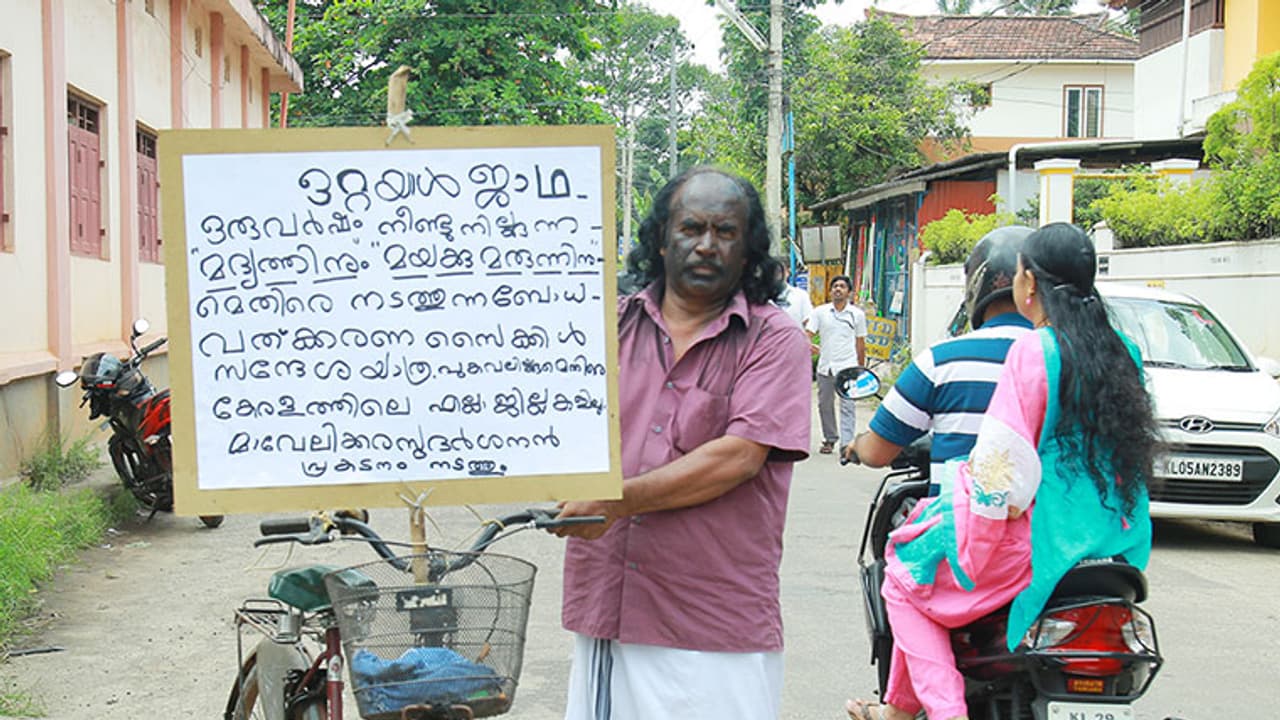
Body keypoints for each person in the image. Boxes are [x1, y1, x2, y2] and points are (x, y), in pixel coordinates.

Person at [845, 222, 1162, 720]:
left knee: (906, 572)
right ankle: (899, 711)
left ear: (1029, 284)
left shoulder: (1035, 351)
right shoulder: (1123, 351)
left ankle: (943, 711)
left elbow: (1001, 469)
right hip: (1109, 538)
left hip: (1038, 536)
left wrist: (972, 544)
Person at [554, 167, 812, 720]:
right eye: (691, 227)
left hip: (713, 617)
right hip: (612, 604)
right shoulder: (603, 327)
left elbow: (739, 457)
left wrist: (613, 501)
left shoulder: (774, 338)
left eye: (725, 232)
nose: (706, 245)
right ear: (662, 240)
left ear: (748, 251)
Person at [842, 226, 1035, 477]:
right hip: (1060, 514)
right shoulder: (1075, 358)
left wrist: (858, 443)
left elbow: (878, 452)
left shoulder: (943, 360)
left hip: (959, 515)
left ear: (976, 284)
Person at [807, 275, 867, 454]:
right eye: (834, 286)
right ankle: (830, 439)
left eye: (841, 286)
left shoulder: (857, 315)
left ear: (849, 292)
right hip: (825, 366)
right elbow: (807, 333)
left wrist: (861, 369)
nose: (837, 289)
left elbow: (860, 343)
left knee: (847, 405)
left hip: (848, 366)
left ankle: (846, 444)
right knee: (825, 404)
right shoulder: (820, 312)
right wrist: (811, 346)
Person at [774, 263, 813, 328]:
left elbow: (808, 321)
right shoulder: (763, 298)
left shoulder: (801, 295)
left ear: (787, 273)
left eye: (780, 271)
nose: (778, 275)